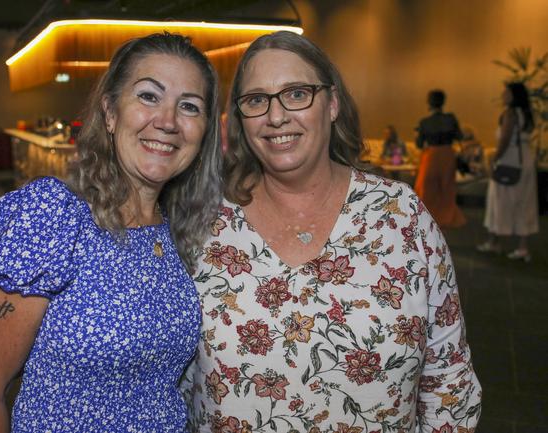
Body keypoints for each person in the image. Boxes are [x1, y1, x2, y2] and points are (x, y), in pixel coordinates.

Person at [182, 31, 481, 433]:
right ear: (239, 117)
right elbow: (170, 380)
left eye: (297, 93)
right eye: (256, 100)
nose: (276, 116)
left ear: (333, 103)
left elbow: (449, 380)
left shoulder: (401, 216)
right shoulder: (201, 223)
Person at [0, 33, 222, 433]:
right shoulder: (52, 216)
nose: (167, 121)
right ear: (111, 113)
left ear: (203, 133)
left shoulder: (177, 228)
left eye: (189, 106)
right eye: (149, 96)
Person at [477, 82, 538, 261]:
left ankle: (494, 242)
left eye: (506, 92)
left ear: (513, 95)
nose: (503, 95)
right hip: (525, 161)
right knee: (525, 203)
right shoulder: (527, 114)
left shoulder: (510, 114)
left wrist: (494, 158)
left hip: (508, 162)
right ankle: (523, 247)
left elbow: (504, 139)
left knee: (499, 201)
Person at [414, 89, 466, 227]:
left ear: (428, 102)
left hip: (431, 156)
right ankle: (446, 216)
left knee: (427, 187)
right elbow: (460, 137)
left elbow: (419, 144)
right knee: (446, 188)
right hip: (448, 155)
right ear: (443, 102)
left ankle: (427, 217)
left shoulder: (424, 122)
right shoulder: (451, 119)